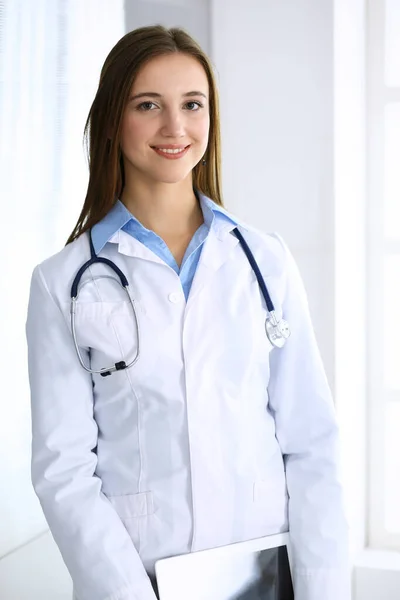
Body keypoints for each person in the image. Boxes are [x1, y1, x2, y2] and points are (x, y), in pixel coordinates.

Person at [26, 25, 350, 600]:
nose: (175, 127)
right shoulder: (63, 283)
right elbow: (64, 473)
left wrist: (324, 588)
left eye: (192, 104)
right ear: (112, 120)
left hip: (264, 578)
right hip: (136, 584)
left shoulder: (263, 259)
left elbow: (310, 443)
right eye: (148, 105)